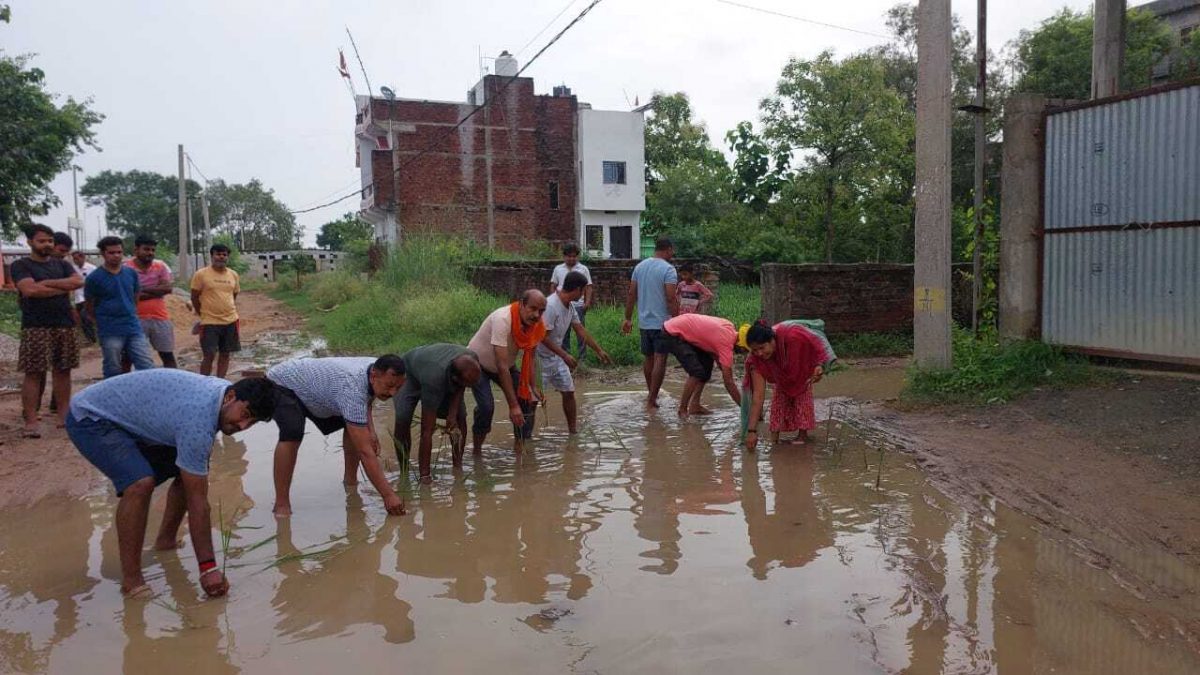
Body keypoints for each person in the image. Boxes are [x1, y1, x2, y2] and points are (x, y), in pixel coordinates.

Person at [65, 369, 276, 598]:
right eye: (245, 415)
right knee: (139, 483)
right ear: (230, 397)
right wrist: (208, 569)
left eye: (252, 422)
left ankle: (165, 542)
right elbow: (198, 503)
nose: (243, 426)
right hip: (91, 417)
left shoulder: (221, 397)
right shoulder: (199, 418)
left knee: (189, 471)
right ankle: (132, 581)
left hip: (129, 418)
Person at [266, 355, 409, 517]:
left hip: (322, 388)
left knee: (355, 425)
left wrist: (372, 431)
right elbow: (365, 452)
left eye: (398, 388)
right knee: (292, 433)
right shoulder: (352, 388)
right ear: (373, 376)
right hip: (284, 383)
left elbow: (367, 399)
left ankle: (350, 482)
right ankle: (281, 505)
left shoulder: (376, 369)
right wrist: (388, 496)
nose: (393, 393)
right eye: (389, 386)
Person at [467, 290, 569, 452]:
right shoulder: (503, 319)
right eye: (532, 308)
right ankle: (477, 451)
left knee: (527, 399)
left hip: (506, 365)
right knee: (486, 407)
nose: (536, 315)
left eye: (541, 311)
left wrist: (533, 386)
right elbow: (501, 366)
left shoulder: (536, 325)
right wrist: (513, 406)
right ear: (521, 304)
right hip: (477, 364)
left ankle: (519, 450)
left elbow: (531, 356)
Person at [10, 224, 83, 437]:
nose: (47, 245)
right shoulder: (21, 265)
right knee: (33, 372)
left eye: (50, 241)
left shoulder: (63, 264)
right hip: (36, 326)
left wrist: (47, 283)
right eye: (42, 241)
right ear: (30, 242)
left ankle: (64, 417)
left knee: (63, 371)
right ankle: (31, 421)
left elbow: (78, 281)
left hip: (64, 324)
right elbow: (30, 290)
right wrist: (62, 287)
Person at [391, 344, 484, 482]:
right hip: (410, 373)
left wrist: (452, 414)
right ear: (454, 379)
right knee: (403, 417)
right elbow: (426, 430)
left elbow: (462, 386)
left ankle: (457, 466)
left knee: (460, 417)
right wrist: (425, 477)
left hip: (439, 370)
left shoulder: (472, 359)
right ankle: (405, 470)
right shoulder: (434, 379)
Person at [741, 321, 834, 450]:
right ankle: (774, 440)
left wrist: (819, 365)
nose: (759, 353)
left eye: (762, 348)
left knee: (802, 401)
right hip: (780, 379)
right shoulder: (755, 360)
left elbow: (814, 346)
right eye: (755, 350)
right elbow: (758, 396)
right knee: (778, 405)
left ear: (772, 340)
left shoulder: (792, 337)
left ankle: (802, 436)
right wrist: (751, 431)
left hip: (801, 372)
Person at [539, 271, 612, 433]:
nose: (584, 295)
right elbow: (541, 337)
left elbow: (580, 330)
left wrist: (599, 350)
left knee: (569, 392)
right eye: (583, 290)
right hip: (540, 359)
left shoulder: (570, 307)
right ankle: (525, 437)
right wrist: (564, 355)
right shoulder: (551, 306)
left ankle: (573, 431)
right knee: (532, 399)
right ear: (577, 289)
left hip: (557, 357)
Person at [85, 236, 157, 378]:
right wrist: (100, 321)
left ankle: (148, 390)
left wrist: (130, 312)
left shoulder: (131, 273)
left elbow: (135, 297)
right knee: (113, 366)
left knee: (145, 363)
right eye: (111, 252)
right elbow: (90, 305)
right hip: (109, 329)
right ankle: (112, 392)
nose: (116, 256)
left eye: (119, 252)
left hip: (132, 326)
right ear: (103, 253)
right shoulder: (94, 278)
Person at [621, 237, 679, 408]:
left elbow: (631, 294)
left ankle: (651, 393)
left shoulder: (640, 267)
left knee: (649, 358)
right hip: (663, 323)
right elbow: (671, 298)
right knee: (660, 359)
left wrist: (627, 318)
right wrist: (678, 320)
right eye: (672, 251)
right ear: (668, 249)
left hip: (644, 323)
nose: (673, 254)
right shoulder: (669, 269)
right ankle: (652, 399)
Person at [662, 313, 742, 419]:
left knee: (706, 368)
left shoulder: (729, 327)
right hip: (672, 332)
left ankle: (694, 405)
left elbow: (715, 354)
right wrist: (746, 409)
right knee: (697, 372)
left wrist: (725, 369)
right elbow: (729, 383)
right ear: (740, 346)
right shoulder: (726, 344)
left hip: (679, 325)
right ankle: (682, 410)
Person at [125, 234, 177, 368]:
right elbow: (127, 294)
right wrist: (156, 291)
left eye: (153, 250)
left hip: (160, 317)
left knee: (168, 356)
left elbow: (167, 289)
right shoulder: (126, 268)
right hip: (134, 319)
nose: (150, 253)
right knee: (128, 358)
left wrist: (140, 289)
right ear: (136, 250)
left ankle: (173, 381)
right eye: (146, 249)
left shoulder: (160, 266)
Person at [191, 243, 241, 378]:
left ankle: (220, 383)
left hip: (231, 321)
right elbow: (194, 297)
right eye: (218, 254)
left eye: (224, 254)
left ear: (227, 257)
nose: (221, 257)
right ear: (212, 256)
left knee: (225, 354)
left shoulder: (233, 275)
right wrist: (202, 313)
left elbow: (234, 294)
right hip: (209, 322)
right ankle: (203, 383)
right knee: (209, 354)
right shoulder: (201, 274)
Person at [548, 243, 593, 359]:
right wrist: (555, 300)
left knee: (580, 331)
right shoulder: (558, 269)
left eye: (574, 256)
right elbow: (553, 285)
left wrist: (587, 302)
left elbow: (588, 286)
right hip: (562, 305)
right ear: (564, 256)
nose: (572, 259)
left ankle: (582, 358)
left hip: (578, 305)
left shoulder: (583, 269)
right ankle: (565, 356)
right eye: (569, 256)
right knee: (563, 332)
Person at [70, 250, 97, 343]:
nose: (75, 261)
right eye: (74, 259)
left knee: (85, 316)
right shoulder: (73, 269)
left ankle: (92, 338)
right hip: (78, 298)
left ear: (83, 257)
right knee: (81, 319)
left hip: (88, 298)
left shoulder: (92, 269)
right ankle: (88, 338)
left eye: (77, 258)